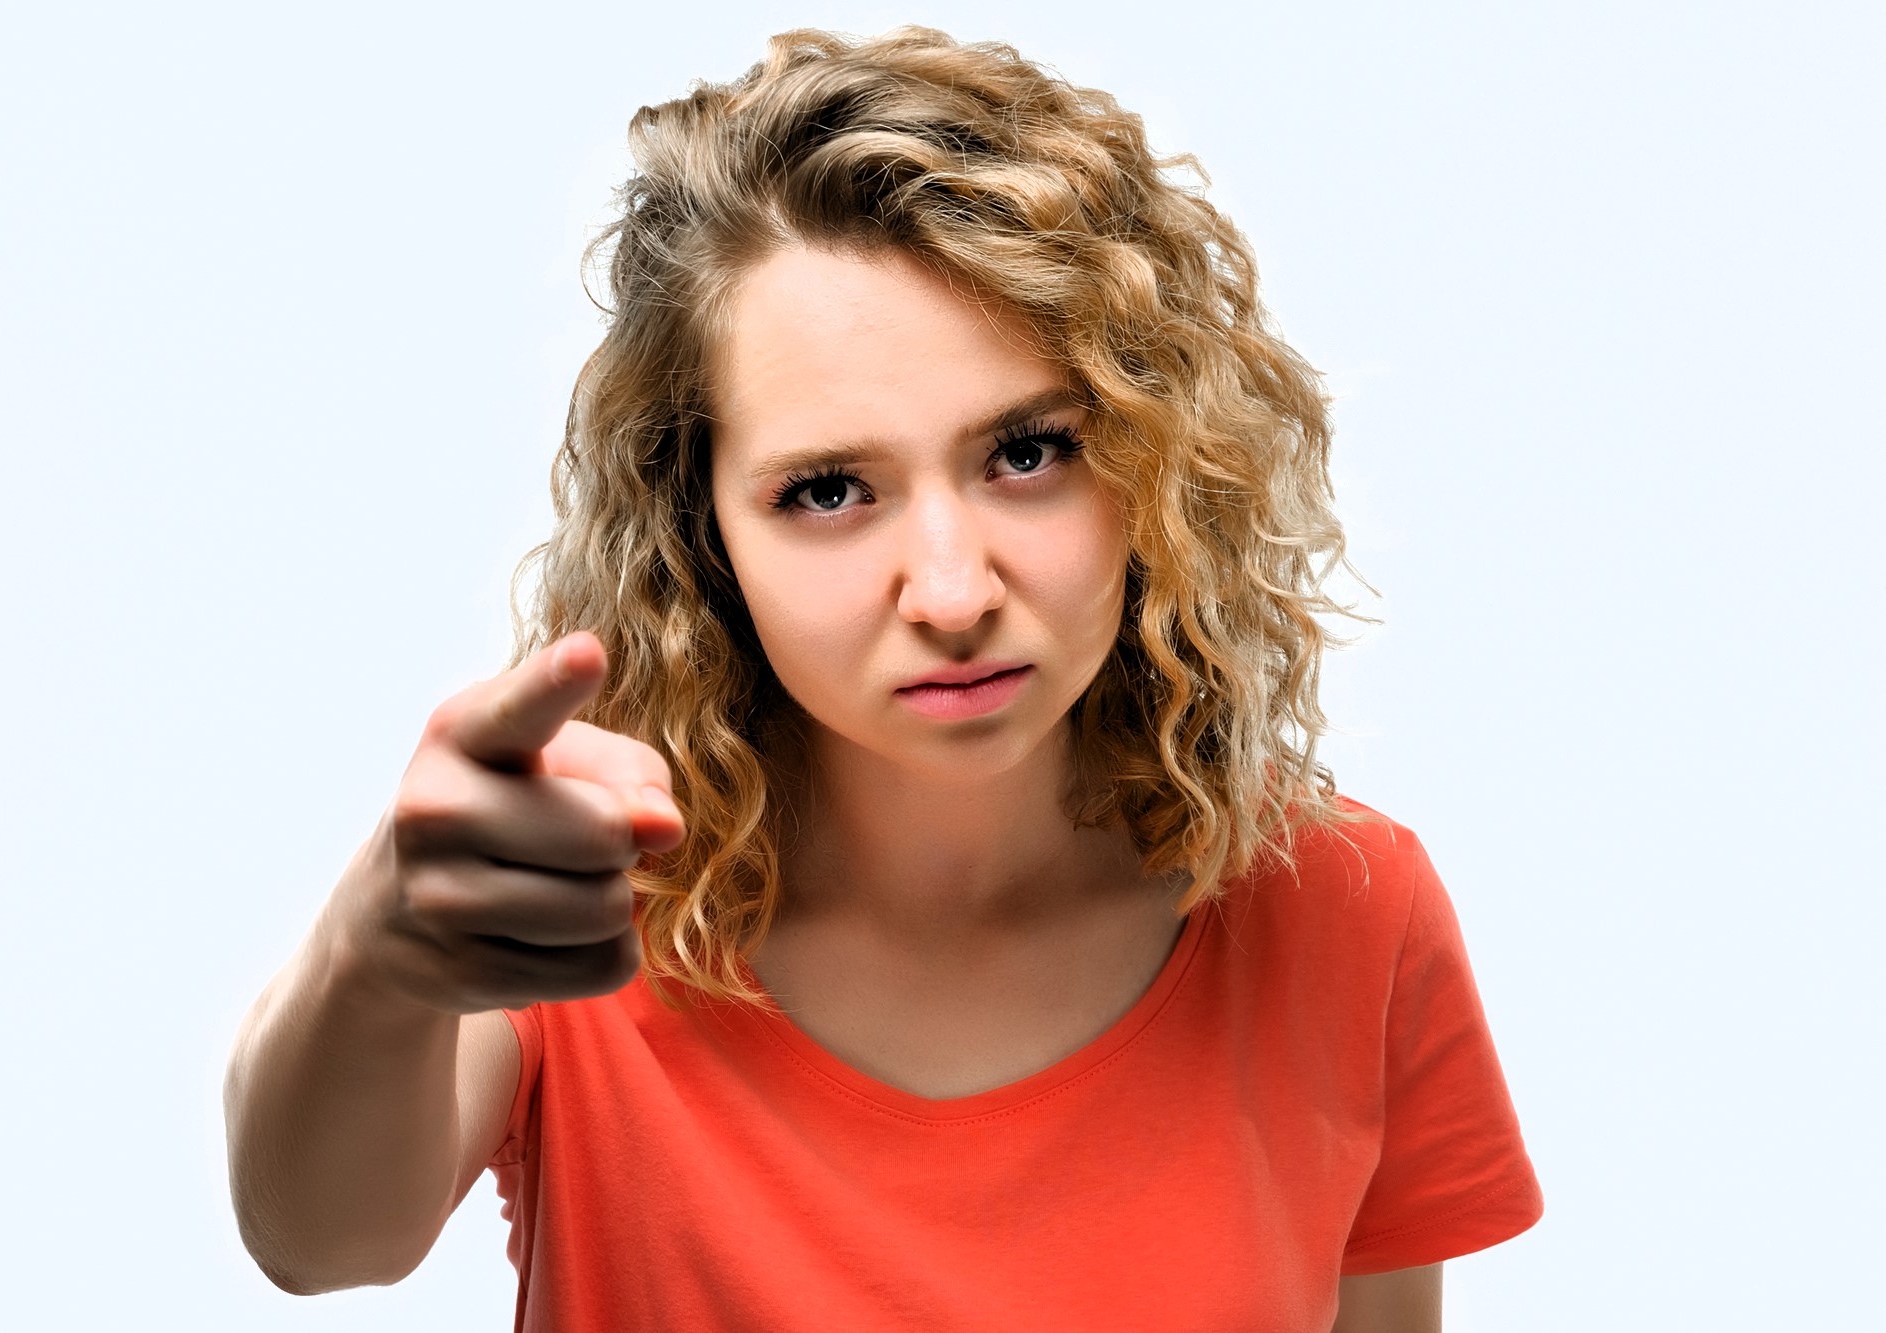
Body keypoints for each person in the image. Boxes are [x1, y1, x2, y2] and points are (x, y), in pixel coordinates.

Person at [224, 27, 1541, 1333]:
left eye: (1027, 453)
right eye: (830, 490)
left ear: (1158, 448)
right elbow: (321, 1240)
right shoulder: (581, 891)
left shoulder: (1349, 918)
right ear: (703, 530)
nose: (955, 591)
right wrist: (380, 941)